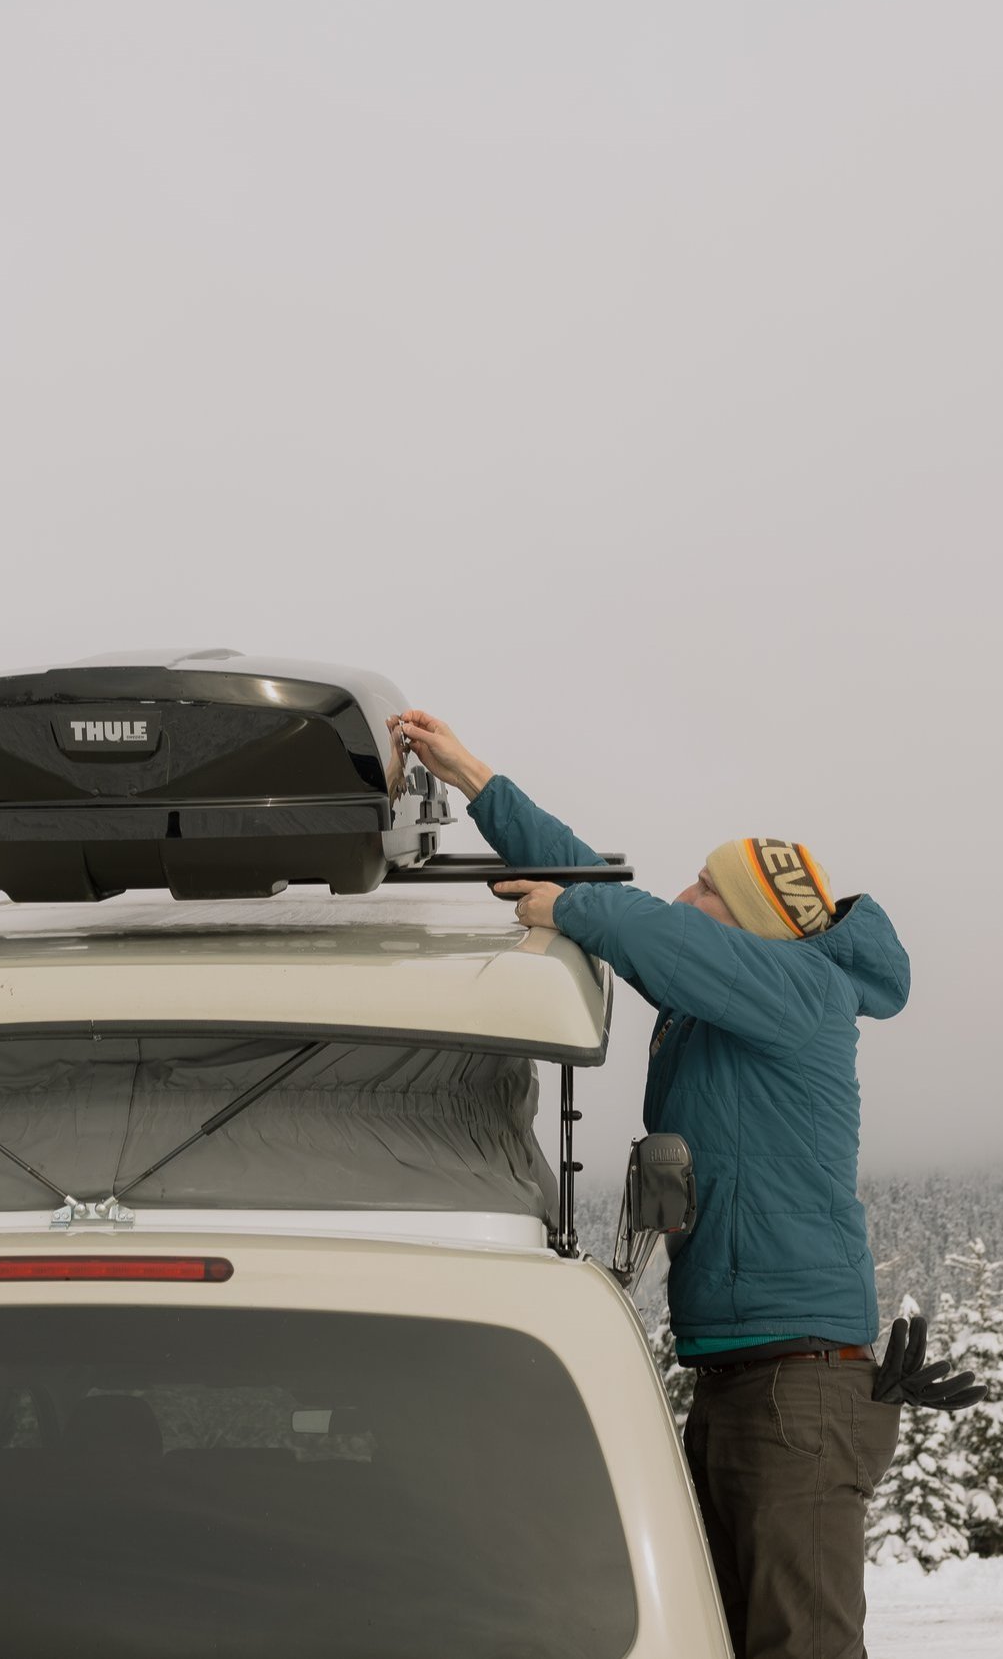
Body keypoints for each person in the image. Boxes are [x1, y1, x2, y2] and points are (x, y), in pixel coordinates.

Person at [392, 709, 970, 1659]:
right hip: (744, 1376)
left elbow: (631, 921)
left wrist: (572, 913)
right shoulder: (731, 1005)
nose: (682, 889)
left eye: (707, 885)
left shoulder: (803, 996)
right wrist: (474, 779)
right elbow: (605, 890)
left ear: (751, 925)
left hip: (801, 1388)